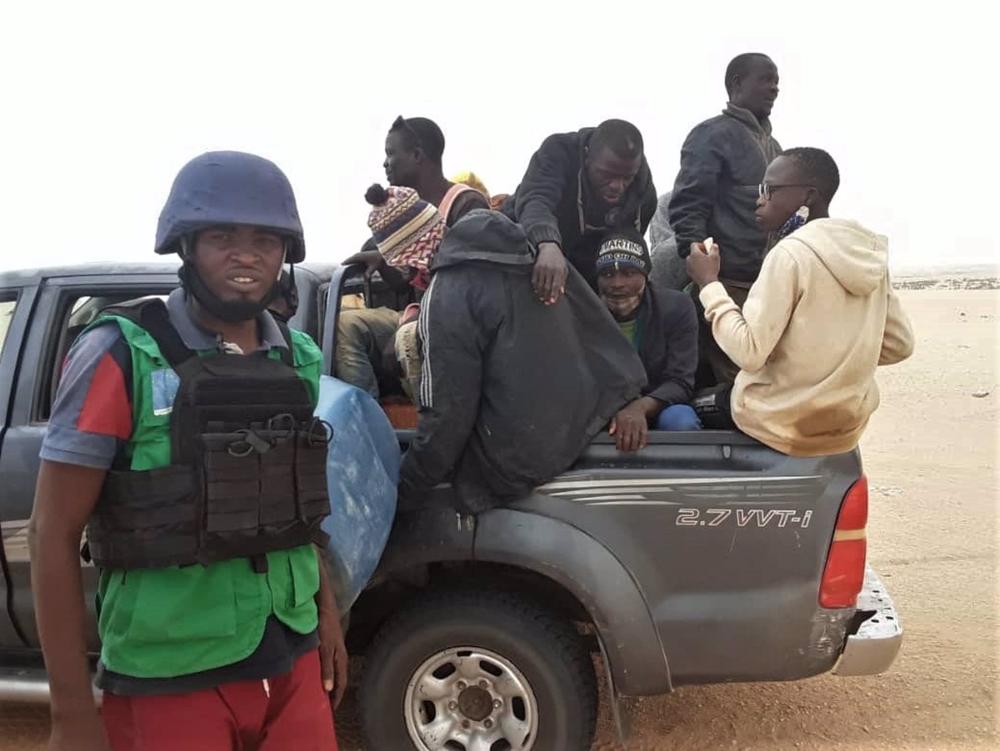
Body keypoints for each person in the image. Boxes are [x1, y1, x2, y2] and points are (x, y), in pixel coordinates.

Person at [28, 151, 345, 751]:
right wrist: (70, 715)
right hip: (168, 670)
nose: (246, 255)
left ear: (285, 252)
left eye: (265, 239)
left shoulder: (297, 357)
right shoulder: (121, 353)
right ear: (187, 246)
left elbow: (297, 511)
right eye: (222, 237)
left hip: (291, 654)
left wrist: (326, 615)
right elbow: (51, 531)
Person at [399, 210, 647, 513]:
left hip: (514, 466)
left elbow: (448, 410)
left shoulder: (448, 291)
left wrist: (406, 490)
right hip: (582, 427)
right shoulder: (541, 261)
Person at [685, 147, 915, 456]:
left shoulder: (790, 254)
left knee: (689, 407)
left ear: (808, 196)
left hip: (777, 422)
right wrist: (831, 365)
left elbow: (748, 353)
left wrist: (709, 284)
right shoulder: (869, 255)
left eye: (770, 190)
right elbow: (900, 344)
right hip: (844, 427)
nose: (760, 199)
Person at [336, 116, 489, 399]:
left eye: (391, 154)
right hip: (418, 314)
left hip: (456, 323)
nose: (385, 163)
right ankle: (365, 415)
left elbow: (468, 286)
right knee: (345, 325)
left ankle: (432, 414)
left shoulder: (466, 204)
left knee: (409, 340)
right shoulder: (408, 211)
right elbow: (406, 282)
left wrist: (415, 322)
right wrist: (384, 259)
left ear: (417, 155)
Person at [669, 53, 783, 386]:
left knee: (766, 377)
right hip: (726, 284)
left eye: (777, 82)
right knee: (740, 383)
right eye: (766, 79)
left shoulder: (775, 147)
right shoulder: (711, 135)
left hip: (766, 286)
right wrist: (705, 273)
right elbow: (688, 206)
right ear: (736, 83)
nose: (774, 88)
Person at [501, 119, 657, 303]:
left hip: (587, 269)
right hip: (527, 251)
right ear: (587, 157)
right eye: (606, 174)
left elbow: (626, 247)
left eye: (627, 178)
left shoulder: (644, 193)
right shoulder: (558, 151)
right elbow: (536, 200)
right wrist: (547, 242)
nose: (617, 186)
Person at [595, 230, 701, 452]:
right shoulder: (585, 314)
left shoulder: (677, 308)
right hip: (602, 408)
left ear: (645, 274)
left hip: (660, 404)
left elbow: (680, 382)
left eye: (629, 273)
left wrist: (639, 408)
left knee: (681, 421)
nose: (617, 283)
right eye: (607, 274)